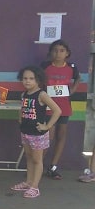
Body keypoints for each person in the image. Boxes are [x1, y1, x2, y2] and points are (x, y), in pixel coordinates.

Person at [11, 66, 61, 198]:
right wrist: (20, 119)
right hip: (26, 131)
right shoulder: (24, 94)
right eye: (25, 78)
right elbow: (22, 108)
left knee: (37, 160)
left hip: (38, 134)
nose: (27, 81)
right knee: (29, 157)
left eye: (31, 78)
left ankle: (35, 187)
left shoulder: (42, 95)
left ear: (38, 80)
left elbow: (57, 110)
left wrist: (47, 126)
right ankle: (28, 182)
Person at [40, 39, 80, 179]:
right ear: (51, 52)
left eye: (62, 51)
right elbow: (38, 82)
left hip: (64, 107)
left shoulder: (71, 67)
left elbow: (77, 79)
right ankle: (37, 165)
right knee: (48, 137)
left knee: (61, 136)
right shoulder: (45, 67)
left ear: (67, 53)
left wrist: (72, 91)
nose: (58, 53)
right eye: (55, 50)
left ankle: (53, 166)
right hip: (48, 108)